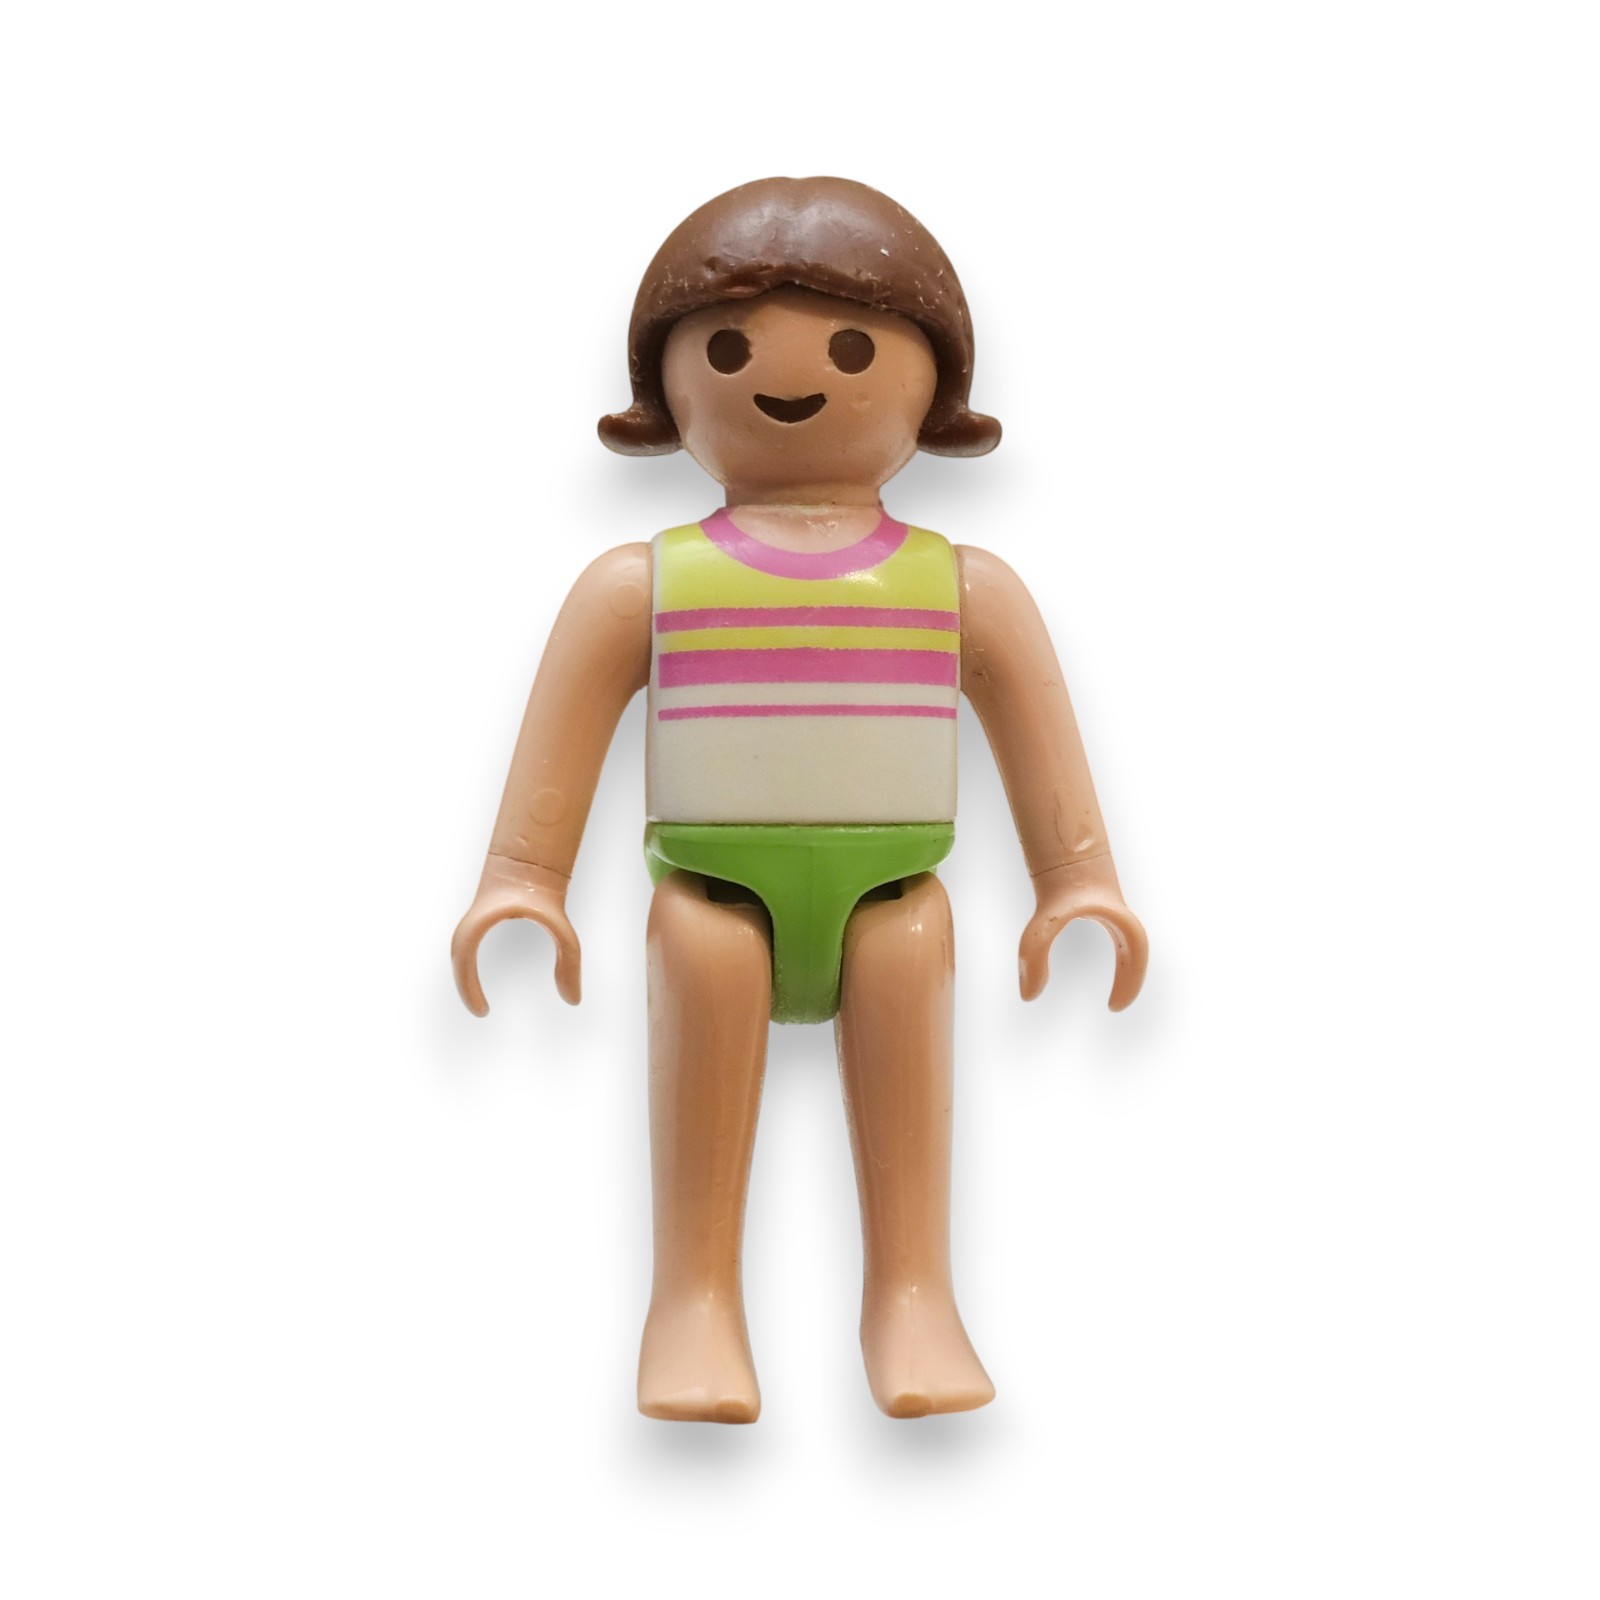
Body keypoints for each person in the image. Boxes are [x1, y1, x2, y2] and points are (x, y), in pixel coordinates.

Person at [451, 177, 1148, 1422]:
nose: (791, 380)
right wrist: (522, 881)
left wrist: (1076, 879)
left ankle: (914, 1296)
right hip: (710, 888)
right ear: (666, 385)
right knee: (704, 966)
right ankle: (692, 1302)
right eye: (726, 350)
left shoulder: (961, 586)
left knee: (908, 960)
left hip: (894, 888)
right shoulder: (642, 584)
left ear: (933, 383)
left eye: (853, 350)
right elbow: (560, 736)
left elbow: (1039, 737)